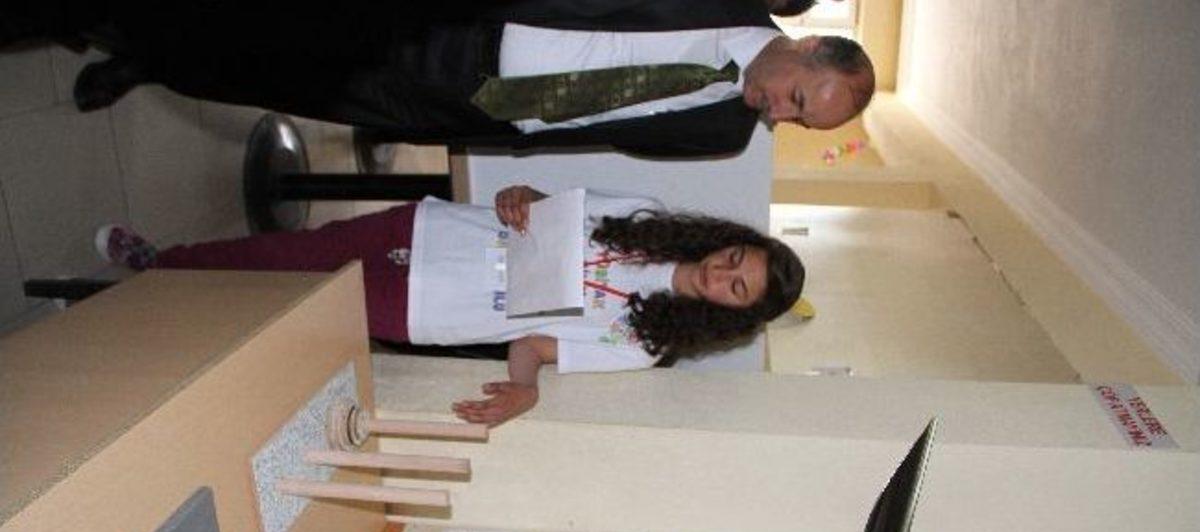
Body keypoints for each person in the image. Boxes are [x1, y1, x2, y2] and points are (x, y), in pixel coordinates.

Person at [94, 185, 805, 426]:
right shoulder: (646, 216)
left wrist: (524, 390)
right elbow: (554, 206)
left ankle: (166, 305)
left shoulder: (646, 345)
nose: (722, 273)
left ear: (734, 313)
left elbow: (534, 347)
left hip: (431, 307)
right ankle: (166, 264)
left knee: (292, 305)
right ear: (728, 241)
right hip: (437, 230)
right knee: (294, 251)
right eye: (735, 258)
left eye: (737, 287)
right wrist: (522, 195)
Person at [57, 2, 874, 157]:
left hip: (466, 110)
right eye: (798, 99)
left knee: (281, 86)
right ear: (805, 48)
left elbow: (603, 137)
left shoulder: (724, 133)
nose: (780, 114)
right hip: (458, 26)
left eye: (799, 121)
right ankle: (128, 29)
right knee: (277, 26)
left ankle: (151, 66)